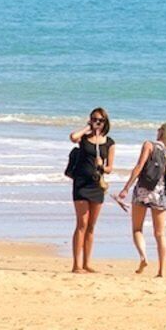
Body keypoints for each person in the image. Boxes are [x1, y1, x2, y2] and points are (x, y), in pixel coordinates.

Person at [119, 122, 166, 275]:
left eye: (159, 129)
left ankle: (143, 256)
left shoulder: (149, 145)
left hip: (142, 190)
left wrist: (126, 188)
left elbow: (139, 167)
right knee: (160, 233)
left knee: (137, 229)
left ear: (161, 132)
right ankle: (161, 271)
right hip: (159, 193)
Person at [64, 110, 115, 273]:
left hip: (96, 185)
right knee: (82, 224)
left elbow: (109, 169)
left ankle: (87, 262)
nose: (97, 122)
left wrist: (101, 165)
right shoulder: (84, 138)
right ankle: (76, 264)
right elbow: (73, 137)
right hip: (81, 184)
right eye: (94, 119)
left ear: (105, 122)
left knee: (91, 226)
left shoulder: (109, 142)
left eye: (100, 120)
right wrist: (87, 128)